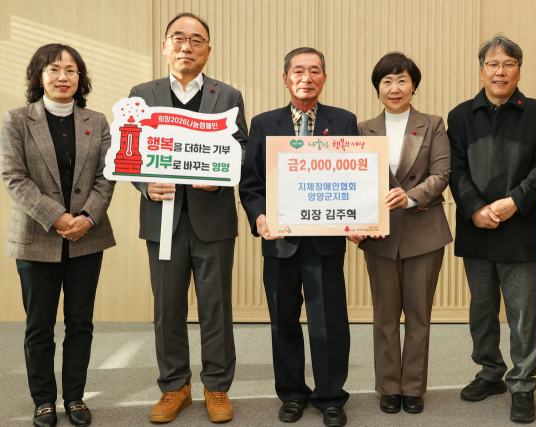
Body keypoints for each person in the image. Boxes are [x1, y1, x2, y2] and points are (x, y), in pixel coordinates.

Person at [128, 12, 248, 424]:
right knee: (167, 308)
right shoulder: (142, 94)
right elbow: (130, 151)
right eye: (178, 38)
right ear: (165, 46)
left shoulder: (227, 95)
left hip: (213, 219)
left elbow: (241, 149)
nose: (187, 46)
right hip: (162, 220)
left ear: (208, 50)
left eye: (196, 40)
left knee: (216, 307)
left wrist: (222, 175)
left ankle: (217, 386)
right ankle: (174, 387)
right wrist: (145, 185)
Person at [239, 47, 357, 427]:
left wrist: (359, 218)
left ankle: (330, 397)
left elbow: (355, 179)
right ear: (286, 78)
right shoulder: (263, 123)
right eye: (299, 71)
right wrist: (258, 216)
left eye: (315, 71)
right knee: (283, 322)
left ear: (325, 77)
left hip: (325, 241)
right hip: (279, 243)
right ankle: (291, 394)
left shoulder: (343, 121)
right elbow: (251, 183)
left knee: (329, 322)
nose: (307, 78)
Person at [0, 44, 116, 427]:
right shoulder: (16, 120)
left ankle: (75, 397)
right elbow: (14, 178)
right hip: (36, 237)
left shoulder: (97, 121)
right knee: (39, 325)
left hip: (88, 236)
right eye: (54, 69)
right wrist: (59, 218)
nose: (63, 77)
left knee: (80, 322)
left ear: (80, 78)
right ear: (39, 76)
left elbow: (106, 176)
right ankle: (44, 400)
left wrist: (87, 218)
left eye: (71, 70)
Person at [447, 34, 536, 423]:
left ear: (519, 71)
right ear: (481, 71)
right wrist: (474, 208)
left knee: (523, 312)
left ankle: (523, 385)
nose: (500, 71)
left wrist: (515, 201)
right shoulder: (460, 116)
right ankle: (490, 371)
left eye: (508, 64)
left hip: (519, 227)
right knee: (481, 309)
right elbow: (455, 169)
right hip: (475, 227)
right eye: (493, 64)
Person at [348, 52, 452, 414]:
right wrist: (354, 222)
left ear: (414, 86)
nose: (395, 88)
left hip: (425, 232)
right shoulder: (362, 128)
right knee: (385, 316)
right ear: (377, 87)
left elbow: (441, 175)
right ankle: (389, 386)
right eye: (387, 81)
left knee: (419, 317)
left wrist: (409, 197)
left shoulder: (433, 124)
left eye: (402, 80)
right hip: (379, 236)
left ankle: (413, 388)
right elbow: (353, 181)